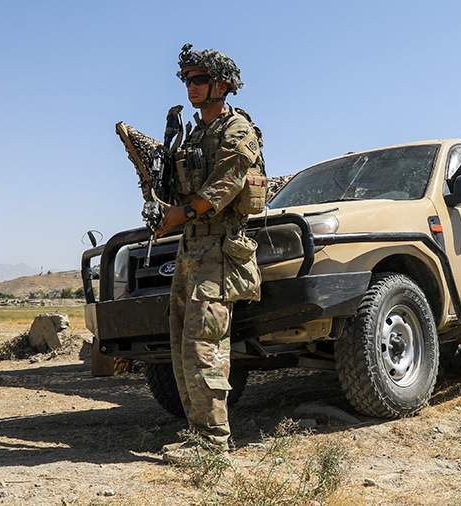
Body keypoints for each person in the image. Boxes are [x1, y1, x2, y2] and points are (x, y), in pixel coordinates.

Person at [155, 43, 266, 463]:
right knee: (183, 345)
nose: (191, 87)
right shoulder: (195, 133)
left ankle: (212, 442)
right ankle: (197, 434)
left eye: (199, 80)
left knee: (205, 346)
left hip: (219, 248)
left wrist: (180, 214)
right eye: (187, 80)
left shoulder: (237, 130)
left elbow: (225, 186)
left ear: (222, 85)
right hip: (191, 248)